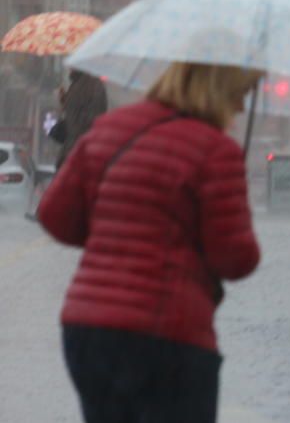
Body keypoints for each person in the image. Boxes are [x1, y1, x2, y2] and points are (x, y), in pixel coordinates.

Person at [37, 61, 262, 423]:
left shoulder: (110, 129)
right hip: (169, 337)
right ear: (220, 89)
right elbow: (237, 260)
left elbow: (54, 216)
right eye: (241, 94)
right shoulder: (215, 150)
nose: (240, 108)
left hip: (88, 331)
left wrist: (114, 232)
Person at [51, 70, 108, 170]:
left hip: (78, 154)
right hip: (75, 152)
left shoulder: (92, 86)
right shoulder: (79, 83)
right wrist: (66, 102)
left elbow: (90, 121)